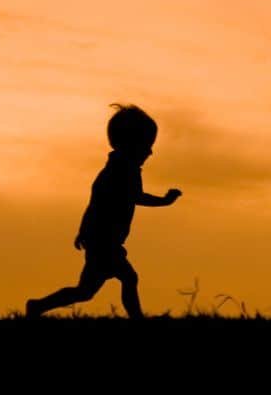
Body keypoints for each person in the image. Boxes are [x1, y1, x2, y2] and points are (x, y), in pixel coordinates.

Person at [25, 104, 181, 319]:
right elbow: (134, 197)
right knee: (128, 278)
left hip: (102, 240)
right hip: (104, 242)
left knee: (86, 291)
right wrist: (165, 201)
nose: (150, 151)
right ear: (130, 144)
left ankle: (38, 306)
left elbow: (94, 203)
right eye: (146, 144)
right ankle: (137, 319)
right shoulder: (124, 171)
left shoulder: (114, 170)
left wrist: (83, 231)